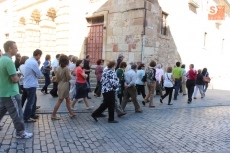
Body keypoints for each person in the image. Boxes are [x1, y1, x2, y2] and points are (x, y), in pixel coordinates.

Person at [0, 40, 33, 138]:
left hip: (3, 92)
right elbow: (14, 79)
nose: (17, 49)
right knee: (17, 114)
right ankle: (20, 132)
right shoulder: (9, 61)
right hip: (11, 93)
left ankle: (20, 132)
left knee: (1, 110)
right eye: (15, 48)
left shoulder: (1, 59)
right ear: (10, 49)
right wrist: (19, 77)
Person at [51, 55, 76, 120]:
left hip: (60, 84)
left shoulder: (58, 68)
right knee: (60, 100)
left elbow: (57, 77)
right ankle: (53, 114)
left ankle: (71, 113)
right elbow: (69, 77)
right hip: (65, 85)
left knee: (67, 100)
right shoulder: (66, 68)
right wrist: (70, 72)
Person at [23, 49, 42, 123]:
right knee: (30, 102)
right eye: (40, 56)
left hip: (27, 84)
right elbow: (39, 74)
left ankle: (32, 114)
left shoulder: (28, 60)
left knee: (34, 99)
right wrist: (39, 65)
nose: (40, 57)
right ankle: (27, 117)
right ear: (38, 55)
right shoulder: (34, 62)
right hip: (31, 84)